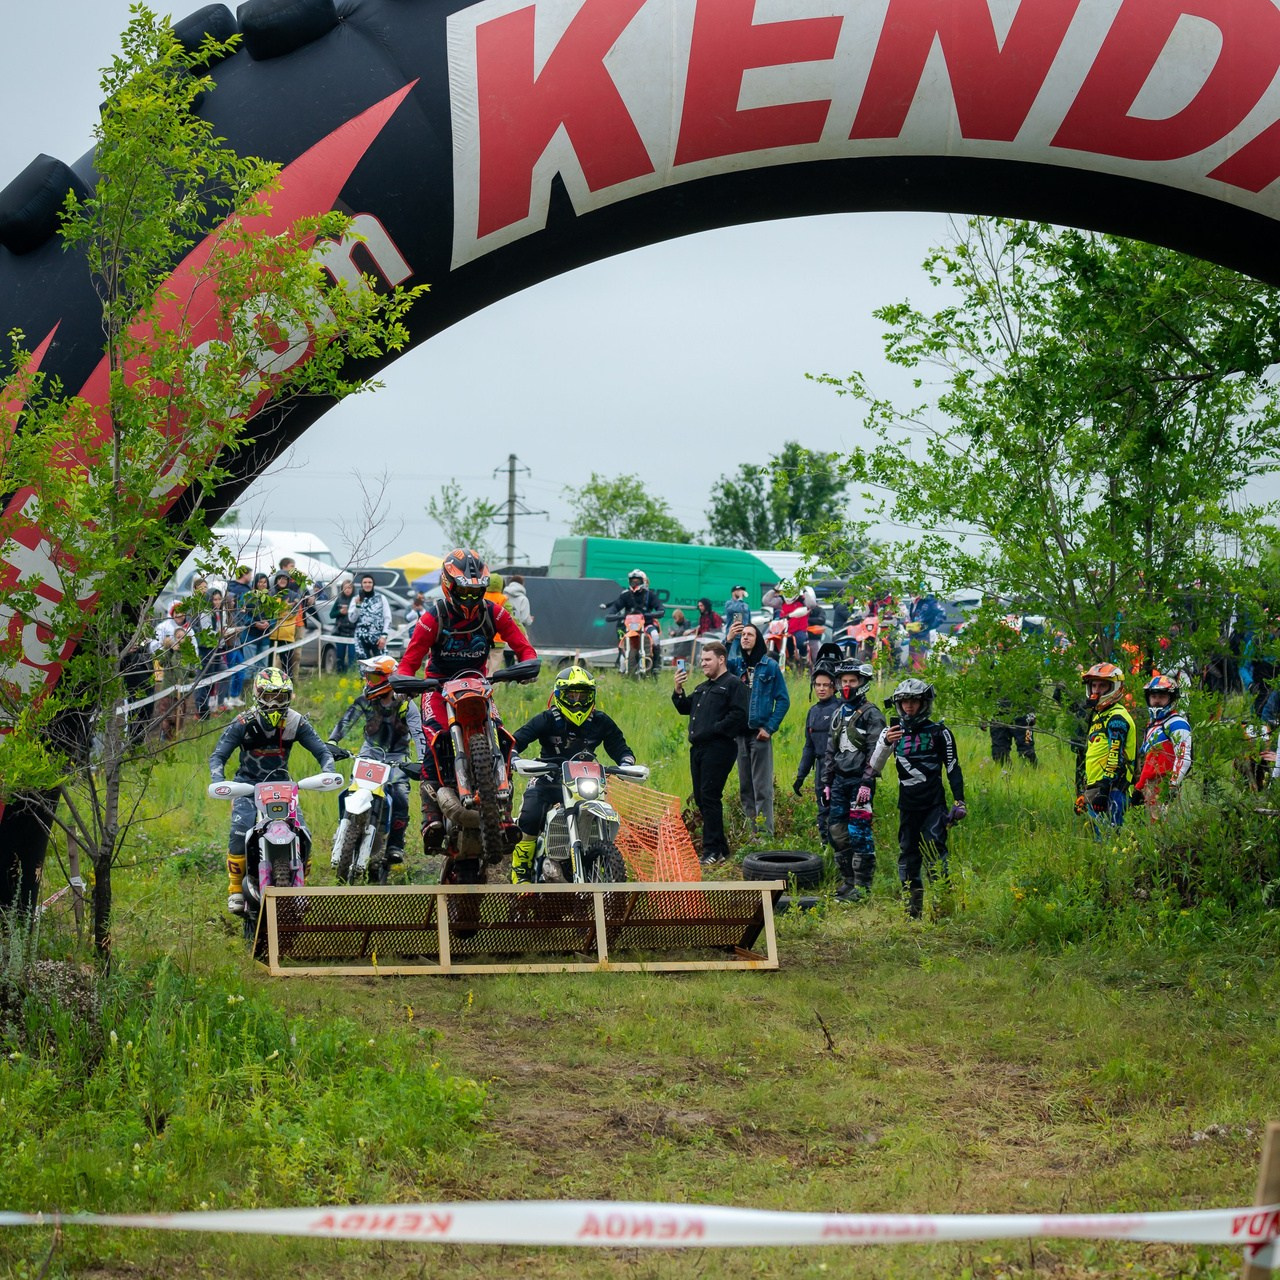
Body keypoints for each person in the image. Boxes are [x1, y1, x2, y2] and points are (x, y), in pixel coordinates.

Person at [395, 548, 536, 847]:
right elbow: (410, 660)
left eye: (477, 592)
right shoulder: (434, 616)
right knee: (435, 740)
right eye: (464, 591)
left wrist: (527, 665)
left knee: (502, 737)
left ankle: (505, 814)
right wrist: (405, 681)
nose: (471, 598)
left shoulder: (494, 612)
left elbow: (523, 646)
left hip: (479, 684)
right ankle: (430, 816)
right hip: (437, 687)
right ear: (449, 585)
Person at [209, 667, 336, 915]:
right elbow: (218, 755)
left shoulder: (295, 722)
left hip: (283, 787)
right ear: (258, 694)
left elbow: (322, 751)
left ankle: (301, 884)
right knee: (238, 831)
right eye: (269, 695)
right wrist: (217, 778)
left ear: (290, 696)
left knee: (304, 833)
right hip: (247, 786)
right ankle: (235, 888)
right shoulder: (243, 722)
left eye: (281, 696)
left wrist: (328, 769)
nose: (275, 702)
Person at [508, 666, 636, 883]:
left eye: (583, 695)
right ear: (559, 695)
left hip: (584, 780)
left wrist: (626, 763)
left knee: (602, 815)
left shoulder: (600, 721)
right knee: (530, 815)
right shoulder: (548, 719)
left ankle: (595, 861)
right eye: (572, 695)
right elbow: (515, 740)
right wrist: (513, 756)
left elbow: (621, 748)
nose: (577, 701)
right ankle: (520, 873)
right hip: (547, 777)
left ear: (591, 696)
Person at [864, 677, 966, 919]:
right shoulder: (892, 732)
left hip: (934, 805)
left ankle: (943, 910)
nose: (909, 706)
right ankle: (912, 912)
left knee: (935, 852)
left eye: (915, 701)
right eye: (905, 702)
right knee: (908, 855)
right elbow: (874, 765)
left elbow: (952, 766)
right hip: (907, 806)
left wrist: (959, 801)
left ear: (924, 703)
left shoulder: (940, 732)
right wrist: (886, 742)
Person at [327, 655, 416, 864]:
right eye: (368, 678)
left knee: (400, 795)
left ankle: (395, 844)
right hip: (369, 752)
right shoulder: (366, 699)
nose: (370, 683)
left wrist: (421, 761)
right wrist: (332, 741)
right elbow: (347, 720)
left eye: (374, 678)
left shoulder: (406, 704)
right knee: (351, 789)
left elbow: (420, 734)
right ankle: (344, 826)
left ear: (389, 678)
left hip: (397, 757)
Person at [672, 640, 750, 866]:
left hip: (719, 747)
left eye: (707, 660)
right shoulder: (702, 688)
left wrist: (714, 730)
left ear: (721, 659)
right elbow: (684, 708)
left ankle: (711, 851)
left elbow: (739, 715)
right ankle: (721, 848)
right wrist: (678, 690)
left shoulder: (733, 684)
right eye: (702, 660)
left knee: (709, 795)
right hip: (698, 749)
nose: (703, 664)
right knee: (700, 798)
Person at [823, 660, 886, 901]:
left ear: (862, 683)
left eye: (852, 681)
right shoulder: (839, 713)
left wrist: (867, 782)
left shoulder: (872, 714)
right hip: (839, 781)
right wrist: (827, 782)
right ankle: (848, 882)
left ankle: (862, 887)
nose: (847, 686)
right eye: (844, 681)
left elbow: (876, 751)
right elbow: (831, 749)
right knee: (836, 831)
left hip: (860, 782)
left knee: (859, 833)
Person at [727, 621, 790, 836]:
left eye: (750, 635)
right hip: (738, 735)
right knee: (746, 788)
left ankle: (765, 837)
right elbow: (719, 666)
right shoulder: (736, 666)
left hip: (759, 734)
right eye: (742, 635)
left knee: (762, 788)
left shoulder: (769, 666)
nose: (745, 637)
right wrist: (728, 640)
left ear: (758, 639)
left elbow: (783, 700)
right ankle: (752, 835)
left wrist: (770, 728)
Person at [1075, 662, 1137, 831]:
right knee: (1102, 841)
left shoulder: (1116, 717)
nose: (1096, 690)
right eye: (1093, 685)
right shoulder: (1099, 715)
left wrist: (1103, 791)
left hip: (1112, 790)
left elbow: (1115, 756)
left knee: (1112, 840)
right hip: (1098, 788)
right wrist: (1086, 793)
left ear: (1114, 687)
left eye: (1102, 685)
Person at [793, 662, 840, 847]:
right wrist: (800, 776)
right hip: (820, 767)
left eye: (825, 685)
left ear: (833, 686)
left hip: (838, 767)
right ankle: (825, 846)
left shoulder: (840, 708)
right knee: (822, 808)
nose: (821, 689)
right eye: (817, 685)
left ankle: (840, 849)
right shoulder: (813, 712)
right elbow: (809, 747)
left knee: (837, 809)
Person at [1132, 673, 1192, 816]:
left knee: (1163, 829)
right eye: (1153, 697)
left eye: (1162, 697)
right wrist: (1139, 788)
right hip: (1149, 787)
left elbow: (1184, 758)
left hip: (1164, 785)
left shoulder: (1177, 723)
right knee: (1150, 831)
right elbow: (1149, 763)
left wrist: (1172, 786)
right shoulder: (1152, 725)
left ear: (1171, 698)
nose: (1157, 700)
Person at [605, 569, 665, 670]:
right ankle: (622, 666)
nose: (634, 583)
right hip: (629, 628)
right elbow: (615, 608)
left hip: (646, 625)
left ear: (644, 581)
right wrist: (613, 615)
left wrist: (657, 613)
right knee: (621, 639)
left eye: (637, 581)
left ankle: (656, 663)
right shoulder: (625, 595)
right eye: (632, 581)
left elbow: (660, 607)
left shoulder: (649, 595)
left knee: (655, 636)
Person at [223, 566, 253, 706]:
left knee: (241, 669)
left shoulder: (236, 614)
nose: (234, 602)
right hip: (229, 646)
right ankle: (227, 697)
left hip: (237, 643)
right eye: (232, 601)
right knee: (230, 672)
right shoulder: (225, 615)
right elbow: (224, 631)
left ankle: (235, 696)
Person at [269, 569, 303, 678]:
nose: (282, 580)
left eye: (285, 578)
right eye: (280, 578)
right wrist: (286, 607)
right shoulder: (271, 594)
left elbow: (293, 614)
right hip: (271, 633)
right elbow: (270, 613)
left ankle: (289, 689)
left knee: (287, 665)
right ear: (276, 580)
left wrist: (280, 610)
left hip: (287, 635)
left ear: (288, 581)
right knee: (269, 665)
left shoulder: (294, 595)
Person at [351, 573, 392, 662]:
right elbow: (352, 619)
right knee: (364, 666)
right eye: (365, 582)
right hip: (360, 637)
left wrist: (384, 636)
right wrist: (358, 605)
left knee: (382, 664)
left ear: (373, 584)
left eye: (370, 582)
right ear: (362, 584)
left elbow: (387, 617)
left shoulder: (381, 598)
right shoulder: (356, 599)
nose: (367, 584)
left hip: (378, 637)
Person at [906, 588, 947, 669]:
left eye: (914, 592)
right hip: (913, 635)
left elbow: (942, 614)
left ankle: (921, 677)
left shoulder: (929, 601)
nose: (912, 594)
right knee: (913, 658)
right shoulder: (912, 603)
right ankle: (914, 676)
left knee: (921, 657)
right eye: (910, 592)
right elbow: (912, 618)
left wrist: (929, 626)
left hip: (925, 635)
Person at [501, 576, 534, 667]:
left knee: (508, 660)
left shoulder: (503, 596)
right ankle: (519, 679)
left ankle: (508, 679)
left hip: (504, 632)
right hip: (519, 632)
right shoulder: (523, 599)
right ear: (522, 584)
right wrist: (530, 619)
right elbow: (524, 619)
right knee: (522, 660)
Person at [328, 578, 358, 673]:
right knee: (340, 656)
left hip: (353, 632)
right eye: (345, 588)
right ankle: (340, 675)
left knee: (352, 657)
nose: (347, 590)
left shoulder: (356, 600)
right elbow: (331, 615)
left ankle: (351, 676)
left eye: (349, 587)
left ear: (353, 589)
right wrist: (340, 612)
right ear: (342, 589)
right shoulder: (339, 599)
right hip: (340, 631)